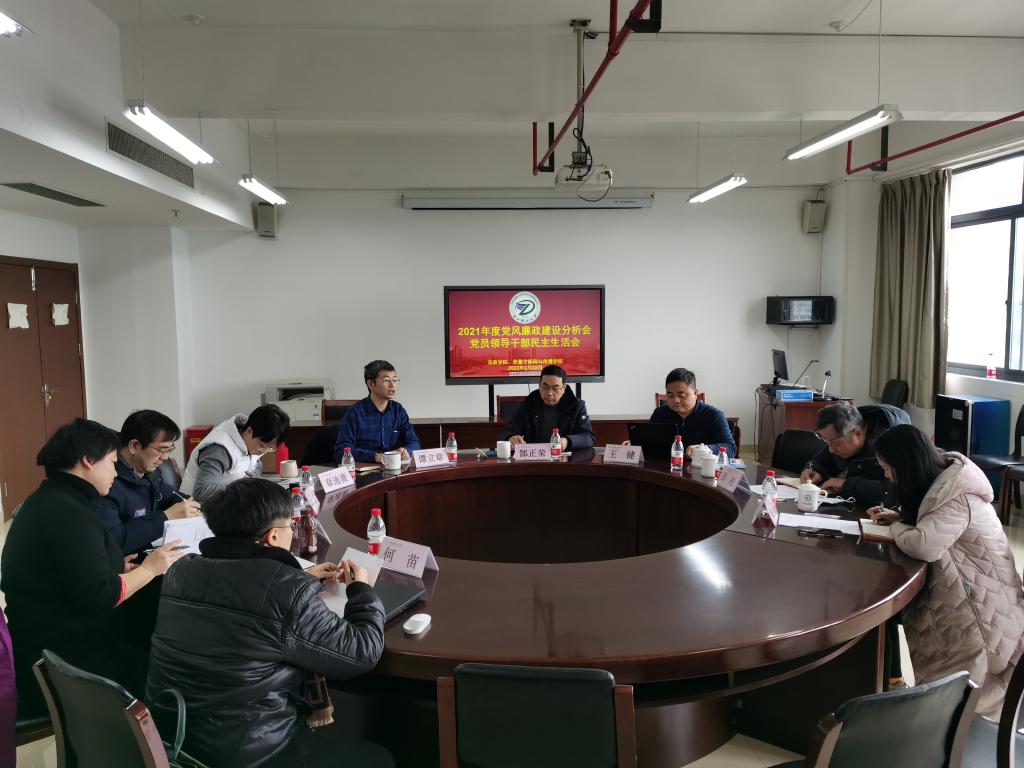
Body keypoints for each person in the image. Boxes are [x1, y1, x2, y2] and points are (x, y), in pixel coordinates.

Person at [146, 479, 392, 768]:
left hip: (171, 742)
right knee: (380, 759)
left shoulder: (180, 571)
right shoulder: (287, 592)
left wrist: (297, 580)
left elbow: (236, 594)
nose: (292, 531)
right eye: (290, 525)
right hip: (249, 752)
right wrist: (361, 590)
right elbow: (362, 651)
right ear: (273, 536)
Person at [1, 419, 186, 718]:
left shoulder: (48, 501)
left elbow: (67, 569)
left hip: (45, 641)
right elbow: (102, 594)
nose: (115, 473)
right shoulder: (68, 513)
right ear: (88, 461)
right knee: (170, 670)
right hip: (65, 660)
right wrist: (151, 568)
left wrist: (115, 565)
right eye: (112, 463)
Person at [868, 424, 1024, 719]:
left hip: (979, 606)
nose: (887, 476)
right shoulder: (945, 483)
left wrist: (897, 526)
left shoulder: (957, 494)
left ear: (906, 465)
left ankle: (956, 734)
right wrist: (900, 517)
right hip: (978, 590)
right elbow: (937, 526)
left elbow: (924, 545)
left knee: (965, 694)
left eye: (888, 468)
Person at [93, 409, 202, 557]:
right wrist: (165, 517)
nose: (165, 457)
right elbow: (113, 541)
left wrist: (192, 506)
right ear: (134, 446)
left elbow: (170, 496)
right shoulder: (107, 483)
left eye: (169, 449)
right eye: (162, 450)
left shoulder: (149, 473)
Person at [800, 402, 910, 506]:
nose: (831, 450)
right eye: (826, 442)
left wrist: (845, 484)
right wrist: (813, 470)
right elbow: (818, 461)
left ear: (858, 434)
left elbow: (895, 492)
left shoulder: (888, 447)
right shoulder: (839, 435)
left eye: (835, 443)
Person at [180, 404, 290, 501]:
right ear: (249, 431)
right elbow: (202, 491)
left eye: (270, 448)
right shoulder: (219, 450)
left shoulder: (252, 440)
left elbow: (257, 465)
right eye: (262, 445)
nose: (264, 451)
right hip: (195, 507)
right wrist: (243, 487)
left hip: (224, 501)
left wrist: (249, 478)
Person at [334, 360, 420, 463]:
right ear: (371, 384)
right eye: (386, 380)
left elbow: (414, 442)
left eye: (395, 380)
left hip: (390, 467)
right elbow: (341, 452)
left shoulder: (398, 410)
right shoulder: (354, 413)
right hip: (363, 469)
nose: (392, 385)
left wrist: (406, 451)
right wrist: (376, 457)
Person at [499, 364, 595, 451]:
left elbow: (588, 437)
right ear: (539, 386)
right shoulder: (530, 403)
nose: (549, 393)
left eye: (555, 388)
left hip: (565, 459)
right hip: (535, 458)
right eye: (545, 387)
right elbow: (508, 430)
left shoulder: (576, 406)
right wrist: (511, 437)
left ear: (563, 388)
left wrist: (567, 441)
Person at [649, 368, 736, 458]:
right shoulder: (659, 414)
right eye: (670, 395)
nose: (675, 400)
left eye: (681, 395)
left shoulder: (714, 415)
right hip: (667, 465)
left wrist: (705, 449)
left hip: (701, 465)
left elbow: (730, 449)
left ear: (695, 393)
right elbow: (648, 444)